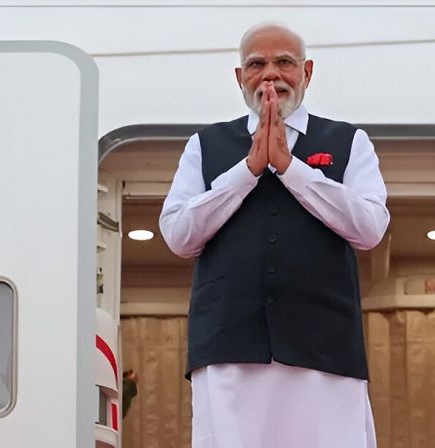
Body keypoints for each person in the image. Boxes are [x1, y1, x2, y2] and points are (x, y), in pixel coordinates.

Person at [159, 22, 389, 448]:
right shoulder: (205, 145)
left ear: (307, 72)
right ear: (239, 76)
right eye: (256, 64)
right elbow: (178, 235)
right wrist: (247, 170)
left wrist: (291, 169)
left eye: (284, 62)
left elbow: (370, 228)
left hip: (325, 352)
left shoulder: (349, 141)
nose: (270, 74)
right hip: (229, 351)